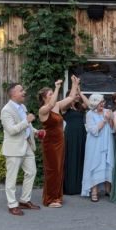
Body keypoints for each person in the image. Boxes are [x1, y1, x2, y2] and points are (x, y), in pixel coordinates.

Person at [1, 83, 44, 216]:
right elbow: (12, 130)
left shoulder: (22, 106)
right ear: (13, 94)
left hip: (27, 145)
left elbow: (27, 126)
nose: (24, 92)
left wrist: (36, 132)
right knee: (11, 178)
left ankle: (25, 200)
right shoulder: (6, 110)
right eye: (21, 90)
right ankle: (12, 205)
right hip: (14, 148)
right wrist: (27, 121)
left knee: (31, 172)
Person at [38, 76, 79, 208]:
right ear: (45, 98)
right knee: (52, 170)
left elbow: (71, 97)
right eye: (50, 94)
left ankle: (57, 196)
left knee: (59, 170)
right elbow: (50, 105)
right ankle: (50, 199)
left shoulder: (57, 106)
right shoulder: (43, 110)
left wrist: (74, 84)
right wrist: (56, 87)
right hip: (50, 143)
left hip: (60, 141)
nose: (53, 95)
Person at [81, 94, 115, 202]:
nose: (103, 104)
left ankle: (108, 189)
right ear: (94, 103)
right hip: (95, 142)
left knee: (107, 162)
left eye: (103, 101)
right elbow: (94, 131)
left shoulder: (108, 112)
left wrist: (111, 122)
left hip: (107, 141)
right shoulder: (89, 114)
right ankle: (94, 191)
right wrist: (105, 120)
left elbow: (113, 130)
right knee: (95, 163)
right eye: (100, 102)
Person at [61, 84, 89, 195]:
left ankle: (80, 186)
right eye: (75, 95)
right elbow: (68, 102)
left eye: (77, 95)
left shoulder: (80, 107)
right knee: (71, 157)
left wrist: (80, 92)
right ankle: (70, 186)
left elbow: (90, 105)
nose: (77, 96)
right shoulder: (65, 108)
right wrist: (73, 93)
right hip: (71, 134)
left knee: (81, 157)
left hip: (82, 133)